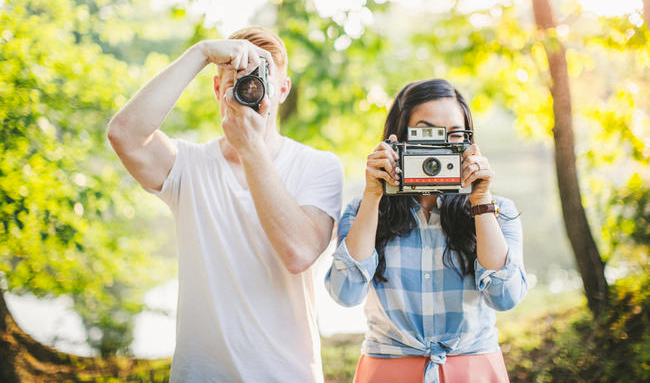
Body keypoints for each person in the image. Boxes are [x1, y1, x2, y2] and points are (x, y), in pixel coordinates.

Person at [108, 27, 343, 383]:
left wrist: (251, 149)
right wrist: (201, 53)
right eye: (237, 81)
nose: (250, 90)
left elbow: (299, 253)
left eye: (261, 80)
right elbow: (123, 133)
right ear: (218, 89)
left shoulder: (318, 166)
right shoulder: (188, 165)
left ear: (281, 89)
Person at [325, 79, 527, 383]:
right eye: (428, 133)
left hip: (473, 370)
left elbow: (505, 298)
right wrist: (373, 195)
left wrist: (480, 201)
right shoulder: (363, 209)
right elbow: (345, 294)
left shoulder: (497, 210)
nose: (441, 148)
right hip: (389, 369)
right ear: (399, 138)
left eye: (453, 135)